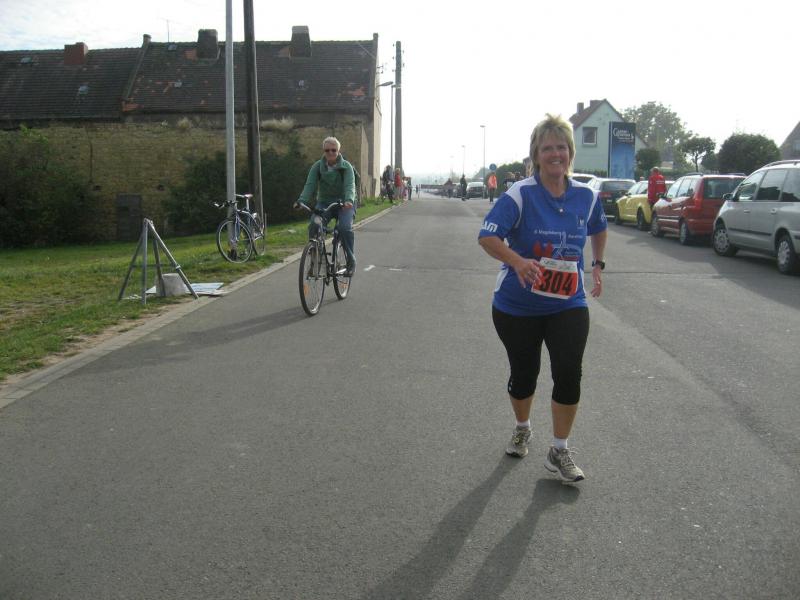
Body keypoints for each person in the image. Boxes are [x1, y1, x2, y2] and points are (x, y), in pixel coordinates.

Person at [477, 113, 608, 483]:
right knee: (524, 375)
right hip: (517, 305)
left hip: (568, 302)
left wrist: (597, 264)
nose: (555, 154)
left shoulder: (586, 195)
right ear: (536, 155)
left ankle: (559, 449)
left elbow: (599, 227)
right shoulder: (520, 194)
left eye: (561, 147)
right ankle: (523, 427)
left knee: (569, 372)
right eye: (548, 148)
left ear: (570, 153)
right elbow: (487, 236)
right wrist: (518, 262)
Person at [295, 136, 357, 276]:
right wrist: (301, 201)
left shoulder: (346, 167)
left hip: (344, 203)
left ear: (338, 151)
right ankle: (316, 261)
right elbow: (310, 185)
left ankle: (351, 261)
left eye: (333, 150)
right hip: (324, 203)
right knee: (314, 224)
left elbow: (350, 185)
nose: (330, 153)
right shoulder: (317, 166)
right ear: (323, 151)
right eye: (327, 150)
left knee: (344, 228)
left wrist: (349, 200)